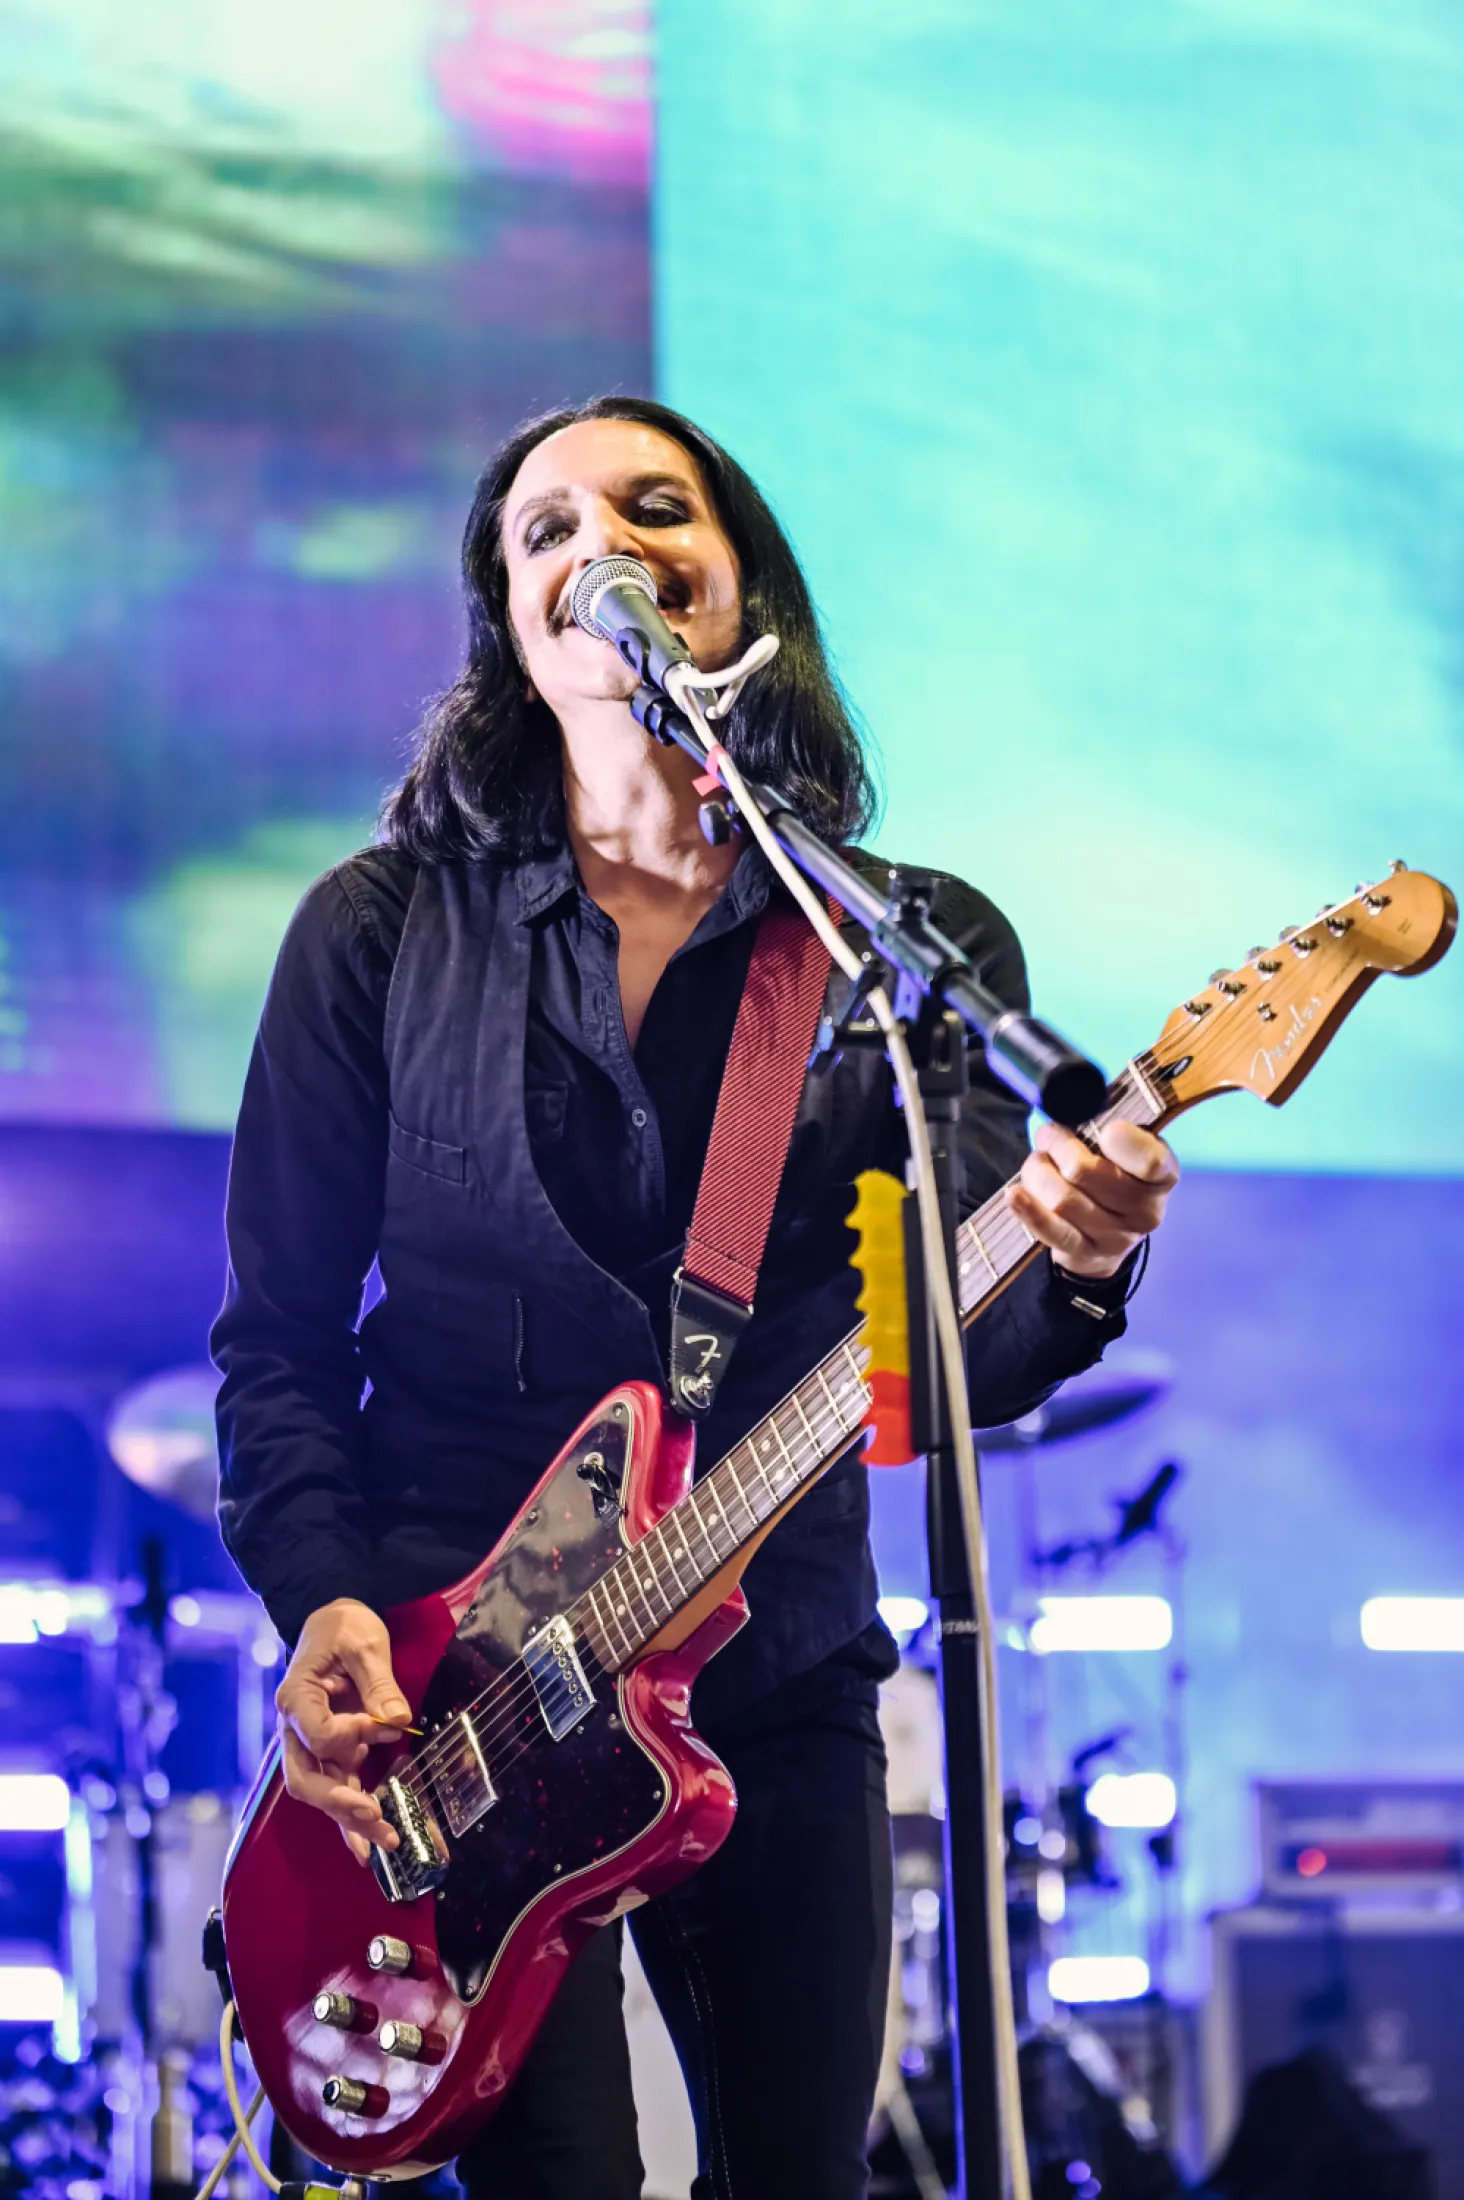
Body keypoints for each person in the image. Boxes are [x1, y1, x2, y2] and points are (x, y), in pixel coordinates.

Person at [213, 395, 1178, 2200]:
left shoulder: (900, 954)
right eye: (550, 531)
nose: (606, 546)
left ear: (741, 586)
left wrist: (1083, 1250)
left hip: (771, 1667)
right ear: (513, 629)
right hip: (455, 1711)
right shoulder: (377, 932)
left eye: (658, 509)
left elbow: (941, 1362)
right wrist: (325, 1592)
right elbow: (277, 1338)